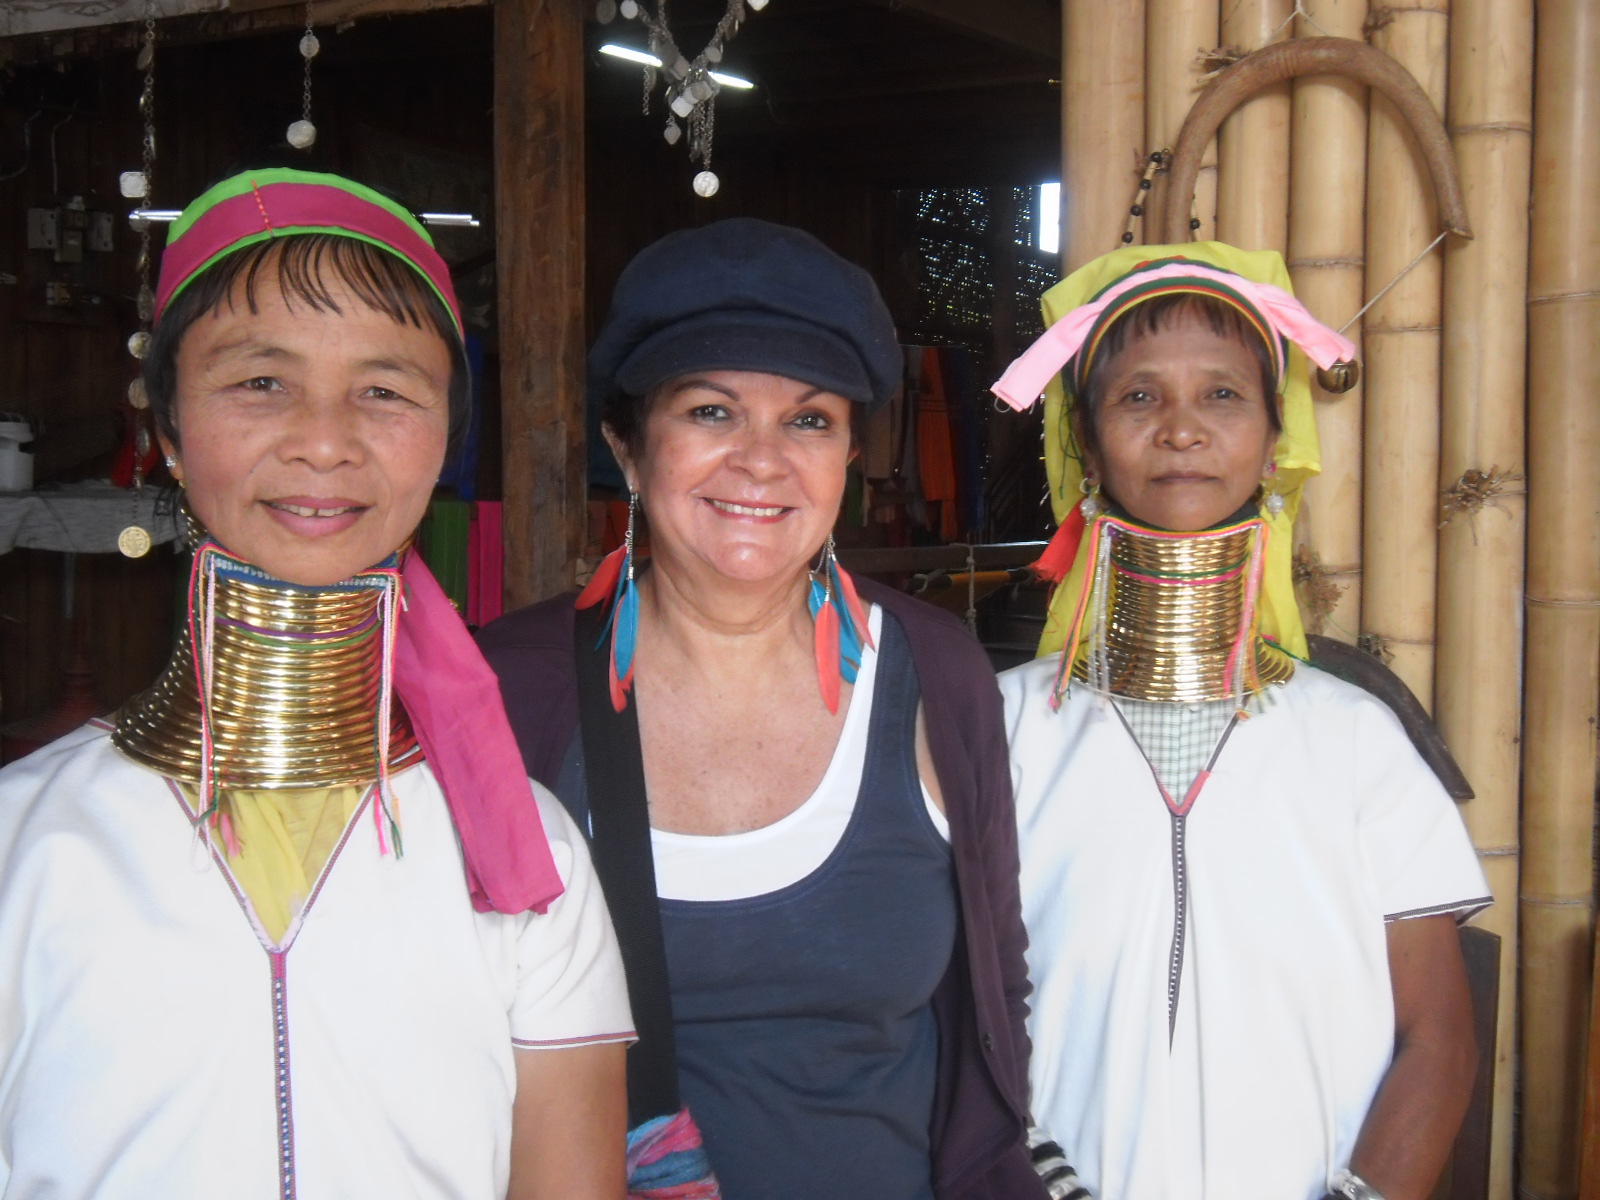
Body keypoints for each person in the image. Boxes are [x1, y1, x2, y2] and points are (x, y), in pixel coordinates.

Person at [0, 168, 632, 1200]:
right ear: (163, 428)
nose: (326, 440)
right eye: (260, 381)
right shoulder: (22, 844)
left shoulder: (527, 857)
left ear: (441, 444)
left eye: (385, 391)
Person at [478, 218, 1047, 1200]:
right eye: (709, 412)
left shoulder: (935, 672)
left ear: (852, 457)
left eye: (810, 420)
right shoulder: (505, 692)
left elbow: (996, 995)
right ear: (626, 440)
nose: (761, 460)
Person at [989, 242, 1491, 1200]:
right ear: (1087, 445)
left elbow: (1439, 1038)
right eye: (1138, 397)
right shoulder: (1003, 731)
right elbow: (955, 1018)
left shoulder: (1355, 741)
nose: (1181, 429)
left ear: (1274, 441)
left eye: (1222, 396)